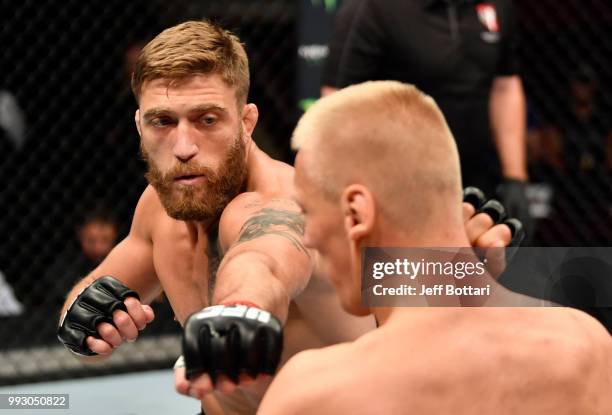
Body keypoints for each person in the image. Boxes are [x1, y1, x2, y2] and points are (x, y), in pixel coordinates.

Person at [57, 21, 517, 414]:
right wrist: (86, 322)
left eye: (207, 119)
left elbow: (267, 257)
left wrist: (240, 312)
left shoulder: (288, 201)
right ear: (140, 125)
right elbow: (95, 298)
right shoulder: (158, 206)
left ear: (246, 121)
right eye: (163, 122)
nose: (183, 147)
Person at [258, 81, 612, 414]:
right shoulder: (586, 343)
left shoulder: (317, 391)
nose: (308, 238)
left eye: (307, 211)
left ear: (356, 212)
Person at [323, 0, 531, 239]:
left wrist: (515, 178)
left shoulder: (497, 5)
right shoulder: (371, 8)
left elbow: (504, 84)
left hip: (472, 181)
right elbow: (336, 105)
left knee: (470, 271)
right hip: (393, 188)